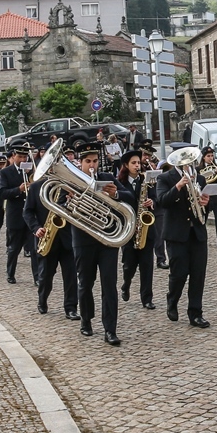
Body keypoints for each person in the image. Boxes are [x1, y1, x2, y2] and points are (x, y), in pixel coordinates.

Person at [71, 141, 133, 345]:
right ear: (80, 162)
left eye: (95, 161)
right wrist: (70, 201)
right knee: (85, 283)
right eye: (88, 161)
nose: (92, 165)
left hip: (107, 238)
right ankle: (86, 320)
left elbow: (130, 196)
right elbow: (58, 206)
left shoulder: (107, 178)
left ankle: (110, 330)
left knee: (109, 285)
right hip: (83, 240)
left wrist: (115, 194)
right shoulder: (71, 181)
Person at [155, 147, 211, 328]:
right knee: (178, 274)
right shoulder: (165, 178)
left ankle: (195, 313)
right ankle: (172, 300)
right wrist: (178, 185)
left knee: (198, 275)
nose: (188, 164)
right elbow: (162, 201)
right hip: (176, 234)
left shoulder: (200, 178)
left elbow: (203, 209)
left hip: (197, 233)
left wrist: (205, 204)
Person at [23, 163, 80, 321]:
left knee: (70, 277)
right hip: (46, 238)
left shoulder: (70, 188)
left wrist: (73, 200)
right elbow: (27, 211)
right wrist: (36, 228)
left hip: (67, 238)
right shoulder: (36, 188)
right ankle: (42, 300)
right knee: (46, 276)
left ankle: (71, 308)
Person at [118, 149, 157, 309]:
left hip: (146, 230)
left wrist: (151, 202)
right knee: (129, 265)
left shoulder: (146, 180)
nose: (137, 166)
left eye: (138, 163)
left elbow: (156, 197)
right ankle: (126, 284)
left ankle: (146, 298)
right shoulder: (119, 183)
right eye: (133, 163)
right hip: (129, 230)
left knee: (147, 266)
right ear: (126, 165)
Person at [0, 144, 33, 284]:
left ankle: (38, 276)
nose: (22, 159)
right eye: (20, 156)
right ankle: (10, 273)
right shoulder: (6, 172)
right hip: (16, 216)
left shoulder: (31, 171)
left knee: (35, 249)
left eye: (25, 157)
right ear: (14, 157)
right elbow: (2, 192)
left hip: (31, 216)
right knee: (14, 248)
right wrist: (18, 190)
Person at [198, 146, 217, 248]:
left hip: (216, 197)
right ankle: (202, 239)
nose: (211, 158)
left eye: (212, 156)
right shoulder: (198, 169)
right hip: (205, 197)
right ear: (203, 157)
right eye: (208, 156)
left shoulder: (216, 167)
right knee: (203, 219)